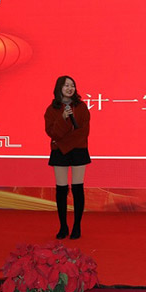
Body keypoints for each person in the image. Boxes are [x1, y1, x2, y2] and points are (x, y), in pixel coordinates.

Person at [44, 75, 90, 239]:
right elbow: (52, 132)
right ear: (59, 88)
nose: (70, 88)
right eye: (66, 85)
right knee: (61, 190)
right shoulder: (52, 109)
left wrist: (63, 142)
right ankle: (63, 226)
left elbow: (83, 132)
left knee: (78, 188)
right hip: (59, 152)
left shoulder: (82, 107)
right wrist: (63, 118)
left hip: (78, 150)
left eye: (72, 85)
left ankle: (77, 226)